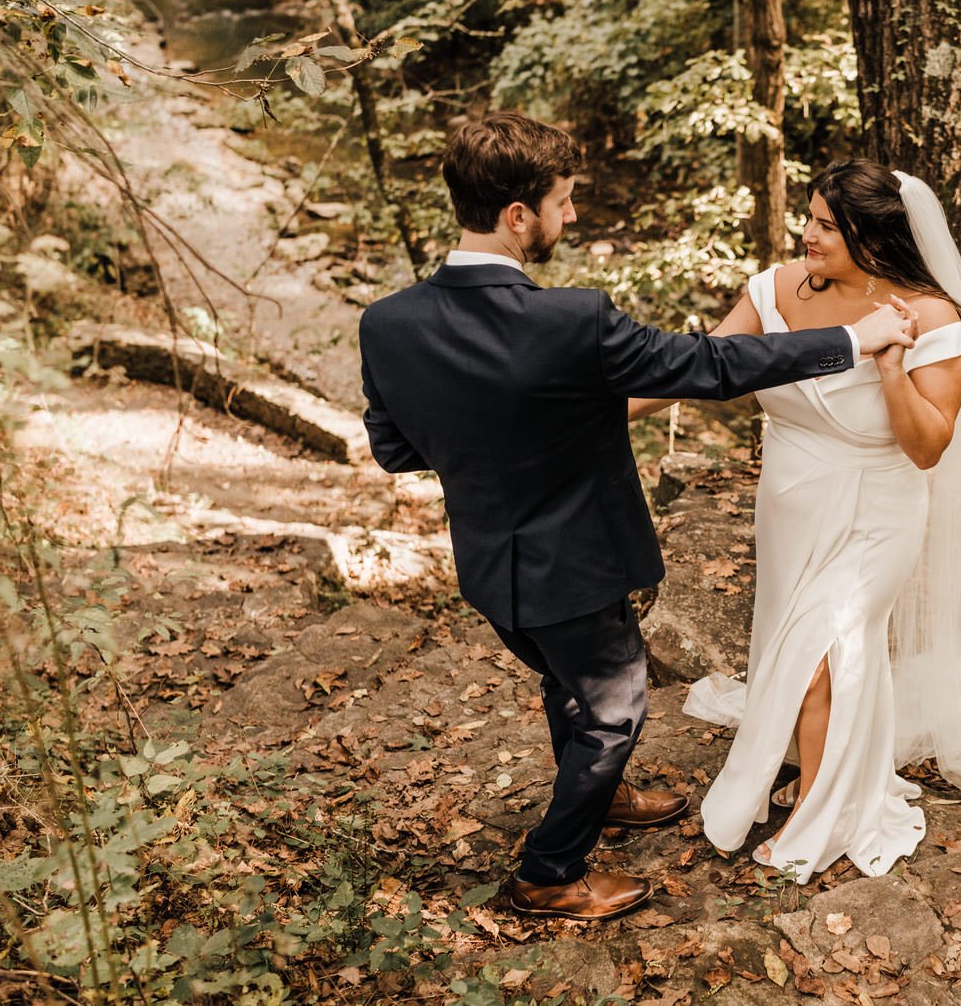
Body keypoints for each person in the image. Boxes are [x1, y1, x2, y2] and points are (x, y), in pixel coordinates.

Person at [357, 115, 919, 921]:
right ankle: (551, 870)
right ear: (518, 216)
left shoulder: (389, 322)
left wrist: (494, 443)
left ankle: (604, 796)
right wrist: (850, 339)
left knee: (565, 684)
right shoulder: (571, 321)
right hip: (580, 563)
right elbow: (711, 365)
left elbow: (395, 449)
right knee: (613, 709)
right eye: (563, 200)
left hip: (489, 565)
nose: (572, 215)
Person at [632, 161, 961, 884]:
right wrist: (593, 415)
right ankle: (816, 764)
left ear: (872, 236)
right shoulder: (773, 290)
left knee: (824, 651)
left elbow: (928, 446)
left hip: (878, 511)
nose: (807, 235)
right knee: (793, 641)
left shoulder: (932, 318)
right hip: (792, 503)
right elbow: (699, 369)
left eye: (827, 226)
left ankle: (820, 811)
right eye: (808, 218)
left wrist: (889, 363)